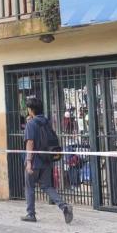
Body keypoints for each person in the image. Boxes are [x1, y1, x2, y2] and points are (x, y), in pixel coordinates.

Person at [22, 96, 73, 224]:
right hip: (47, 160)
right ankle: (64, 206)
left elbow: (30, 142)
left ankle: (31, 214)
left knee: (29, 187)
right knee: (47, 186)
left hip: (34, 161)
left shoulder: (31, 124)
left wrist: (28, 162)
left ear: (30, 109)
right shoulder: (46, 121)